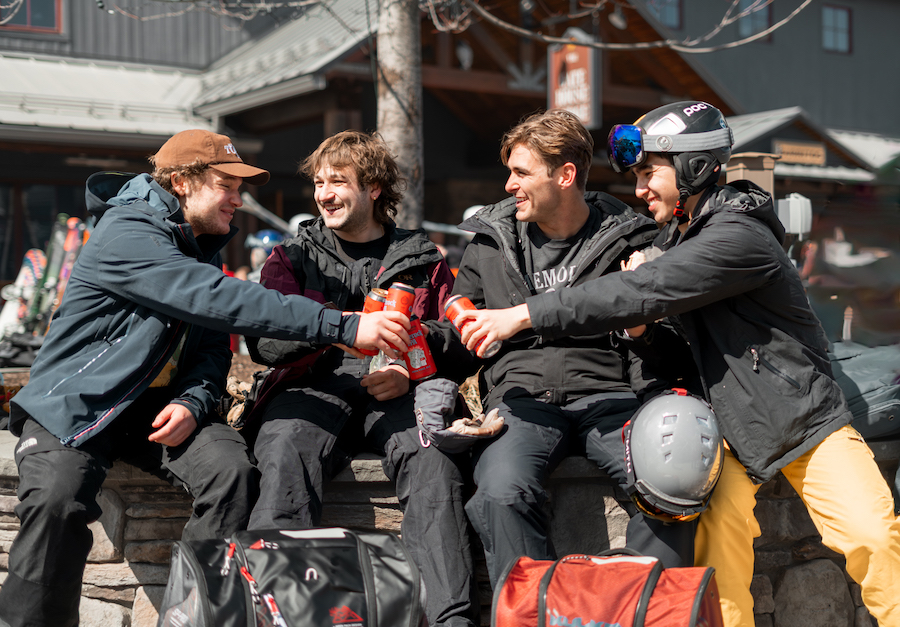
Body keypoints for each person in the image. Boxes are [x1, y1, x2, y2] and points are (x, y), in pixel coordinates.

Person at [454, 102, 900, 627]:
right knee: (720, 555)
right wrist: (642, 327)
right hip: (731, 428)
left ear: (692, 168)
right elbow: (655, 320)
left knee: (871, 534)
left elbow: (640, 289)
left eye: (650, 173)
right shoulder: (674, 236)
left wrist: (522, 316)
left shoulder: (737, 235)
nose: (640, 189)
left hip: (801, 420)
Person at [0, 129, 410, 627]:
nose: (239, 199)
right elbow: (214, 296)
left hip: (156, 410)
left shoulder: (198, 241)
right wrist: (342, 325)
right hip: (77, 403)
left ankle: (191, 614)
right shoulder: (128, 230)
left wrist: (194, 402)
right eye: (227, 185)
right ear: (182, 182)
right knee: (57, 501)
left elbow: (214, 348)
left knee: (233, 474)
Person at [445, 108, 697, 590]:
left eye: (521, 173)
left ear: (565, 175)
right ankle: (535, 613)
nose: (508, 185)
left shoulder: (637, 238)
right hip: (521, 403)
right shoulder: (488, 242)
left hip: (614, 398)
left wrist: (642, 330)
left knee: (668, 483)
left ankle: (637, 610)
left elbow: (678, 349)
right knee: (499, 490)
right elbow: (460, 331)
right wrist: (453, 337)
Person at [243, 130, 479, 627]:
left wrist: (411, 362)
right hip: (309, 389)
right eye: (319, 182)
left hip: (395, 393)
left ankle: (449, 620)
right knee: (284, 450)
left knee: (432, 459)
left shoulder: (422, 259)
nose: (323, 193)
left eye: (338, 181)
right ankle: (279, 613)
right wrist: (335, 333)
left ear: (373, 187)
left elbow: (460, 343)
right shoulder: (292, 257)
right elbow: (262, 341)